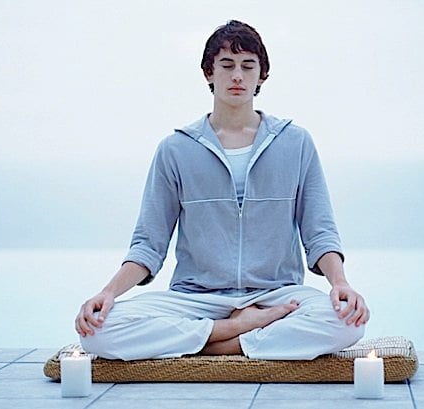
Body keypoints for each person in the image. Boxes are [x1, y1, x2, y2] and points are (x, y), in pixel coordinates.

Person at [76, 20, 369, 361]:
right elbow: (148, 244)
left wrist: (340, 284)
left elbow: (319, 232)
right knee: (100, 332)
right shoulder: (175, 149)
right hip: (196, 298)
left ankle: (213, 344)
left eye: (248, 66)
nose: (237, 76)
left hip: (276, 295)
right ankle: (232, 332)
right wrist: (108, 293)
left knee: (348, 324)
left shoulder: (296, 143)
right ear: (208, 73)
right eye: (226, 66)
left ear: (262, 76)